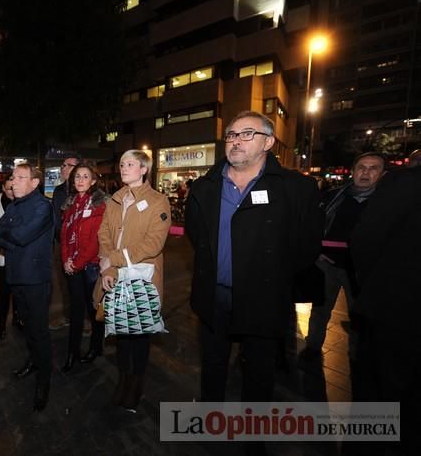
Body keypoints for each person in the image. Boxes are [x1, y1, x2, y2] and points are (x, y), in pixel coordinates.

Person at [185, 110, 322, 403]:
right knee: (213, 363)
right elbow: (197, 235)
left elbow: (307, 246)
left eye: (247, 134)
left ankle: (253, 437)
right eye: (232, 135)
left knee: (259, 372)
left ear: (268, 142)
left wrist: (272, 275)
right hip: (215, 295)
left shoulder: (295, 188)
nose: (236, 141)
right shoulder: (204, 187)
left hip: (264, 299)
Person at [347, 165, 421, 456]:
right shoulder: (407, 183)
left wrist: (377, 286)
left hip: (394, 310)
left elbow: (366, 241)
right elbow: (366, 240)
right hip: (396, 313)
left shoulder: (404, 182)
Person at [97, 150, 171, 413]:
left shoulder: (157, 201)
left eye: (130, 164)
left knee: (138, 333)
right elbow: (104, 233)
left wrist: (113, 259)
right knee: (120, 331)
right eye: (121, 163)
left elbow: (153, 243)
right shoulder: (115, 200)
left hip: (141, 277)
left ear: (143, 169)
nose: (123, 167)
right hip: (114, 273)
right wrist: (107, 266)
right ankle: (123, 379)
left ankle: (136, 383)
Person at [301, 152, 385, 359]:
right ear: (353, 171)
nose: (366, 172)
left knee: (358, 314)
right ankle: (312, 346)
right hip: (327, 264)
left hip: (361, 270)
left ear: (382, 174)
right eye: (361, 167)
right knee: (320, 308)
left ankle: (357, 355)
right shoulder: (334, 196)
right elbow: (314, 225)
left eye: (373, 168)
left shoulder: (385, 202)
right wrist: (317, 252)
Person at [0, 164, 54, 412]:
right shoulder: (15, 204)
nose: (13, 182)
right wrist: (10, 238)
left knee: (39, 330)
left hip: (35, 279)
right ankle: (34, 361)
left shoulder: (42, 206)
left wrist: (9, 239)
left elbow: (20, 236)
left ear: (35, 183)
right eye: (12, 178)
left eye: (19, 178)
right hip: (15, 274)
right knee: (27, 328)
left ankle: (44, 379)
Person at [60, 163, 108, 373]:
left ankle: (96, 347)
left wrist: (77, 263)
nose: (80, 180)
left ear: (93, 181)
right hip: (71, 265)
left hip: (90, 266)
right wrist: (65, 260)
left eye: (85, 176)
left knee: (93, 309)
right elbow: (63, 236)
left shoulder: (100, 205)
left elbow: (96, 241)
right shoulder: (70, 204)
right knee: (76, 311)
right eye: (77, 176)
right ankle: (72, 352)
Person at [49, 155, 80, 329]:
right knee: (63, 284)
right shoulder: (59, 190)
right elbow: (56, 218)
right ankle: (68, 317)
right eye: (63, 165)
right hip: (61, 244)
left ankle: (85, 321)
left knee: (80, 284)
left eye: (69, 165)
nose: (64, 168)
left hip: (79, 245)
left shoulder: (84, 189)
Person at [0, 175, 21, 340]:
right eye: (9, 188)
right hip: (2, 255)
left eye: (14, 187)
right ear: (2, 188)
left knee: (18, 289)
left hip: (20, 255)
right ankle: (1, 324)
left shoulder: (22, 201)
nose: (12, 191)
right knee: (4, 290)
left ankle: (17, 317)